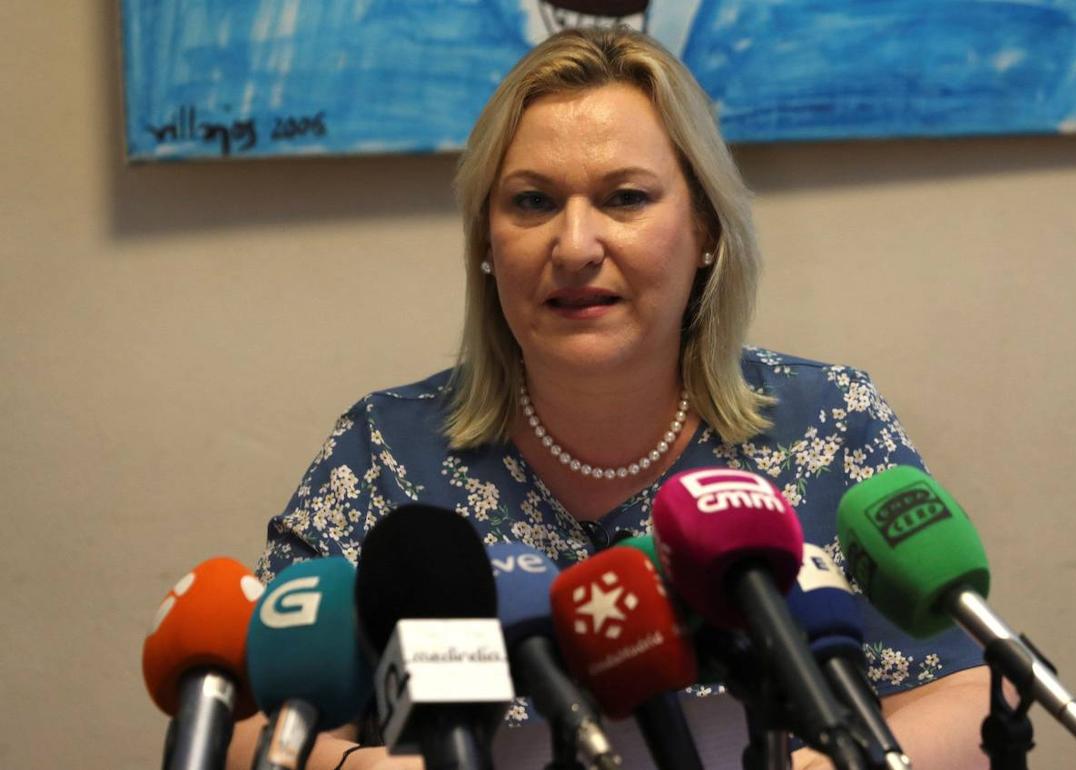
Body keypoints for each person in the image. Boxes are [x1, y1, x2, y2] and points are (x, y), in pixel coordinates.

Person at [228, 26, 992, 770]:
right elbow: (246, 721)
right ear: (486, 243)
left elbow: (964, 695)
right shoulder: (385, 453)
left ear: (705, 230)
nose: (574, 246)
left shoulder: (829, 424)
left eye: (624, 198)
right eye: (533, 202)